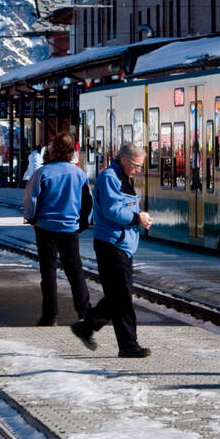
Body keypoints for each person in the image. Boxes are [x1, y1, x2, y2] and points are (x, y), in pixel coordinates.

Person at [71, 143, 153, 358]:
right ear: (125, 160)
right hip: (111, 244)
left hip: (122, 244)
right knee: (122, 296)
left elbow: (123, 207)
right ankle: (128, 345)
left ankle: (86, 327)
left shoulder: (122, 177)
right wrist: (137, 218)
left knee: (117, 295)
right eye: (136, 165)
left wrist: (139, 217)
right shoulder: (110, 178)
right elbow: (111, 210)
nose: (138, 170)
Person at [26, 133, 94, 326]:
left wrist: (32, 218)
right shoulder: (79, 174)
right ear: (72, 152)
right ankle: (84, 312)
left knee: (48, 273)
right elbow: (88, 203)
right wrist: (82, 224)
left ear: (53, 150)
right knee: (75, 272)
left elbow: (32, 200)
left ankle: (50, 316)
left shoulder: (42, 173)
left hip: (45, 229)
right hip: (69, 229)